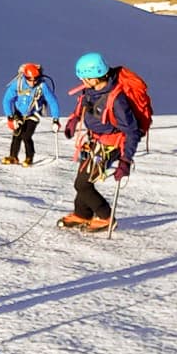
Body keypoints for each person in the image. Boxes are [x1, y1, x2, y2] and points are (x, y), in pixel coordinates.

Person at [60, 51, 148, 230]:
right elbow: (83, 105)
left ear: (96, 76)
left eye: (85, 77)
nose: (82, 81)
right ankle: (82, 214)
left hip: (110, 145)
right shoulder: (91, 90)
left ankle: (105, 216)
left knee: (82, 183)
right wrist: (74, 119)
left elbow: (131, 131)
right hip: (93, 142)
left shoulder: (117, 100)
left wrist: (125, 160)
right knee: (84, 178)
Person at [0, 61, 61, 166]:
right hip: (18, 112)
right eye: (29, 79)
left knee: (26, 135)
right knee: (17, 134)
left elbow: (53, 101)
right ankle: (13, 156)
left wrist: (55, 119)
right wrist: (10, 117)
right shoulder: (18, 84)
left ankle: (29, 157)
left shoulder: (42, 86)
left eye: (35, 79)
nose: (33, 82)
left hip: (34, 113)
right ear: (25, 77)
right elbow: (7, 100)